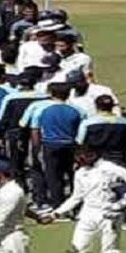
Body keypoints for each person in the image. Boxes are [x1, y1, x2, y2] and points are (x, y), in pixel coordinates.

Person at [30, 82, 83, 210]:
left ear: (52, 94)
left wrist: (36, 147)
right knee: (73, 176)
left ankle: (58, 206)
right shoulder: (77, 110)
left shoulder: (42, 110)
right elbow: (81, 131)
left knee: (53, 176)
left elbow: (35, 129)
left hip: (50, 145)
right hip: (70, 145)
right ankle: (76, 206)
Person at [77, 96, 126, 167]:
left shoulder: (87, 123)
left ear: (96, 106)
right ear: (112, 106)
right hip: (119, 162)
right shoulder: (125, 123)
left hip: (95, 163)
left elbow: (80, 142)